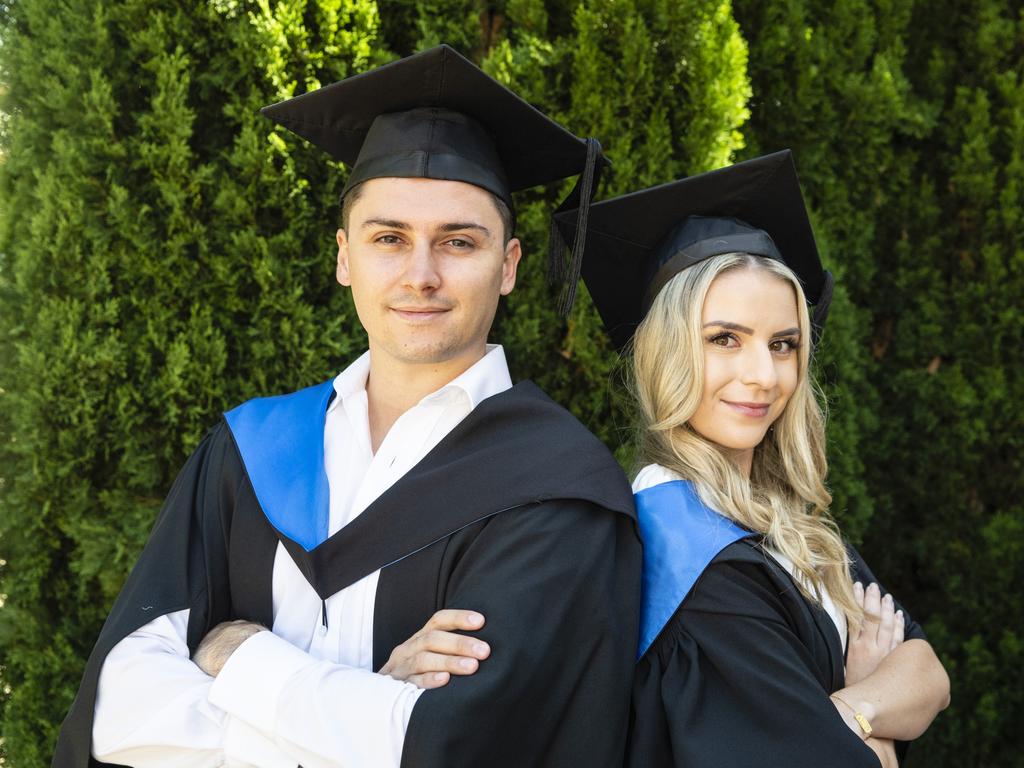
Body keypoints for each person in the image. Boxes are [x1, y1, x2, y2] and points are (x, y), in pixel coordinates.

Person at [53, 45, 641, 767]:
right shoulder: (252, 448)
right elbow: (119, 706)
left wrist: (239, 657)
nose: (420, 275)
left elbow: (463, 745)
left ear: (509, 266)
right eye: (388, 238)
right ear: (343, 257)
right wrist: (360, 700)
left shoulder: (558, 488)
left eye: (458, 242)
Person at [555, 150, 950, 767]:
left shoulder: (789, 527)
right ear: (666, 354)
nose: (763, 375)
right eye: (724, 340)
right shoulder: (691, 561)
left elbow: (929, 676)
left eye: (783, 344)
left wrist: (848, 711)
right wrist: (879, 724)